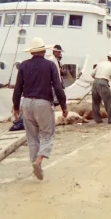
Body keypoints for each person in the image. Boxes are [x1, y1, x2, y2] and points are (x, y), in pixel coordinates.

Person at [12, 37, 68, 180]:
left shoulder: (23, 65)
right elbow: (57, 87)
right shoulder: (50, 65)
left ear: (32, 52)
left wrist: (16, 106)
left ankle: (35, 165)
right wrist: (64, 106)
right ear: (44, 50)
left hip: (26, 103)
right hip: (43, 103)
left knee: (32, 137)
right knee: (47, 133)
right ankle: (38, 161)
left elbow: (18, 88)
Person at [91, 51, 111, 124]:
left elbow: (92, 74)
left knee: (95, 102)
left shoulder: (100, 63)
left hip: (95, 82)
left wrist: (98, 80)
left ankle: (97, 119)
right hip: (103, 83)